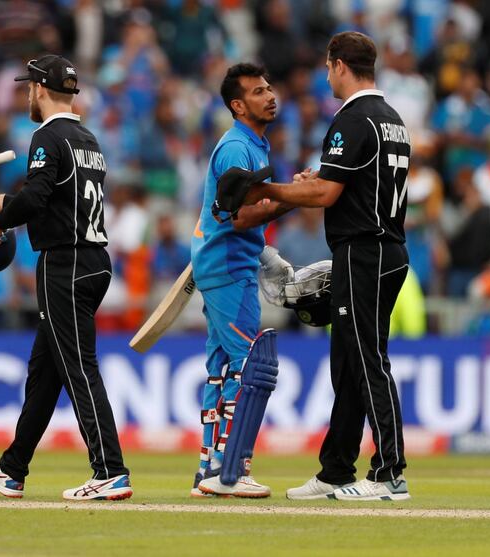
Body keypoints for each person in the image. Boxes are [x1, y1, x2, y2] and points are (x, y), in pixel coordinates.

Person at [238, 32, 412, 501]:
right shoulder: (391, 119)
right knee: (349, 362)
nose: (327, 74)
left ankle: (389, 473)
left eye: (328, 67)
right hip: (382, 250)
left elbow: (325, 195)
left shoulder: (353, 119)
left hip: (365, 252)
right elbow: (347, 184)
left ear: (337, 65)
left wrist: (266, 191)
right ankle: (336, 468)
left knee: (367, 359)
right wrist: (318, 180)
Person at [0, 55, 132, 501]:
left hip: (66, 264)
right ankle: (12, 469)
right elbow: (60, 197)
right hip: (93, 260)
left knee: (77, 367)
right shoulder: (87, 137)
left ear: (39, 89)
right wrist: (3, 201)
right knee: (45, 373)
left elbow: (38, 198)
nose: (26, 95)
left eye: (28, 88)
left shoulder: (46, 135)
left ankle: (110, 470)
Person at [189, 63, 290, 498]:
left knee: (222, 368)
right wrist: (293, 197)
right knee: (251, 365)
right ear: (237, 104)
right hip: (228, 267)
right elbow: (237, 216)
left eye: (269, 87)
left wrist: (264, 252)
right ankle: (232, 470)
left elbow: (234, 218)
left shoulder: (253, 145)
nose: (270, 96)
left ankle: (209, 469)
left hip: (228, 263)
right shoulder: (236, 148)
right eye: (257, 91)